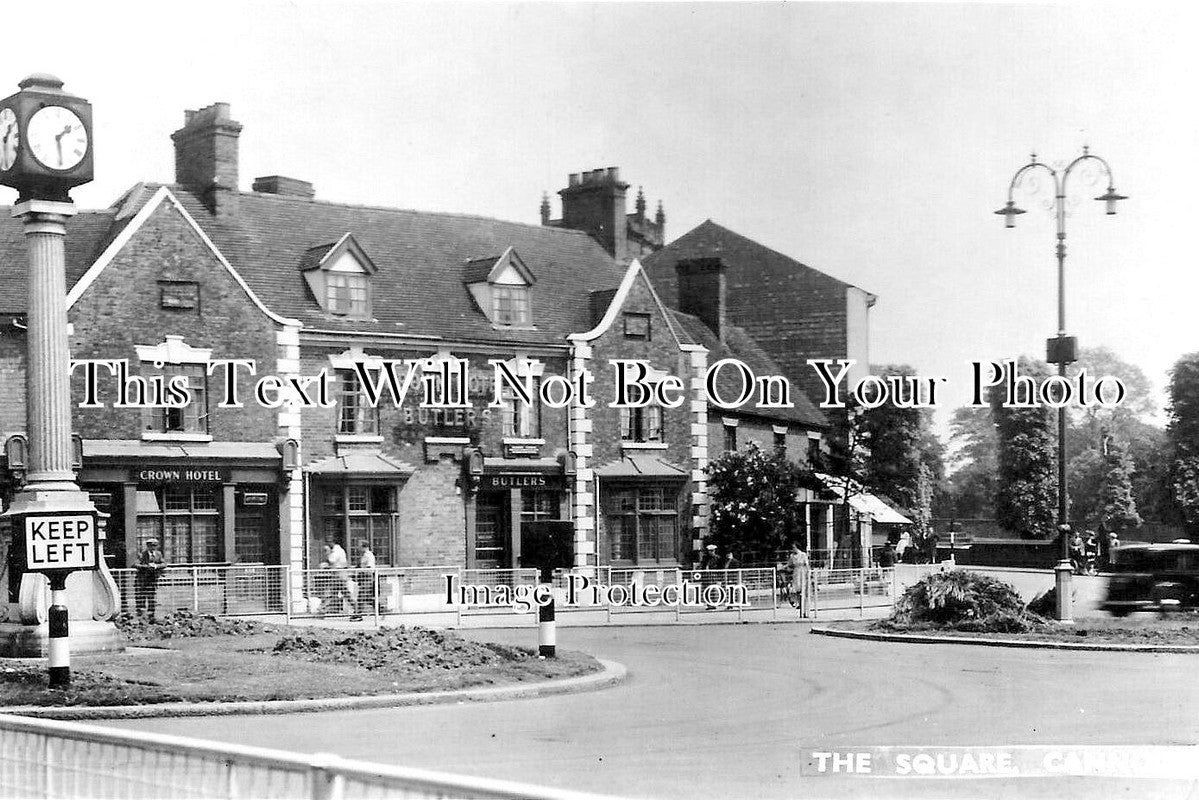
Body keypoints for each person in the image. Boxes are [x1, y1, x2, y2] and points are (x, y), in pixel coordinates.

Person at [318, 539, 351, 614]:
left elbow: (331, 560)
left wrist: (327, 553)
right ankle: (324, 609)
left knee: (343, 593)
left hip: (339, 574)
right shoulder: (338, 551)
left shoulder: (337, 551)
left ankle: (356, 608)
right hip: (337, 574)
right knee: (332, 593)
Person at [134, 538, 165, 619]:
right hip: (142, 580)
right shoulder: (142, 554)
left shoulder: (158, 554)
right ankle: (141, 616)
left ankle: (151, 616)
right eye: (151, 546)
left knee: (152, 598)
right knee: (141, 597)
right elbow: (136, 564)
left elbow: (164, 563)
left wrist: (156, 566)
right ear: (148, 546)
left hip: (152, 580)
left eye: (155, 546)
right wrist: (146, 567)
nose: (153, 547)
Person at [785, 542, 811, 615]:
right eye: (792, 548)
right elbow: (789, 564)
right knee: (796, 590)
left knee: (803, 589)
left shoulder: (803, 554)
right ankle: (799, 603)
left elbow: (806, 564)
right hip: (796, 573)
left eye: (794, 547)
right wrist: (784, 567)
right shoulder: (792, 556)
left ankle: (804, 606)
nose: (793, 549)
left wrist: (808, 573)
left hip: (802, 572)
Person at [353, 540, 377, 618]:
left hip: (367, 577)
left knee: (361, 596)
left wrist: (360, 571)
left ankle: (358, 614)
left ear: (364, 547)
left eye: (359, 546)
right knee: (366, 597)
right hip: (363, 577)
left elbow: (369, 567)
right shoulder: (363, 555)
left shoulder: (369, 555)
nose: (358, 548)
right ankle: (381, 609)